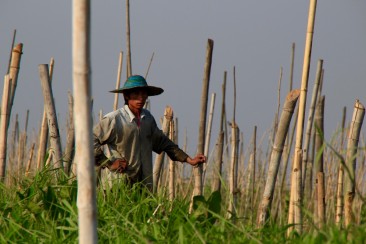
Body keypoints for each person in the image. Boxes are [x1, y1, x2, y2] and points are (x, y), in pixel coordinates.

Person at [93, 75, 206, 190]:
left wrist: (189, 159)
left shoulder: (147, 119)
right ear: (126, 96)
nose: (140, 98)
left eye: (143, 94)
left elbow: (163, 142)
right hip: (118, 185)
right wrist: (109, 163)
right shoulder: (115, 119)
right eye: (136, 94)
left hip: (144, 185)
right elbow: (89, 140)